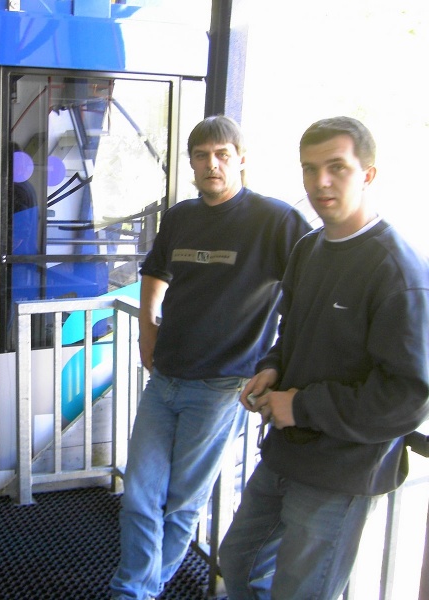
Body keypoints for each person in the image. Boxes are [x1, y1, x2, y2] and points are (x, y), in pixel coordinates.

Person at [219, 116, 429, 599]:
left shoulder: (398, 272)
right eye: (309, 169)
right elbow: (290, 332)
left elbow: (408, 398)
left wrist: (302, 405)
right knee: (238, 561)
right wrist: (271, 368)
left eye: (337, 167)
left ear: (368, 174)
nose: (321, 182)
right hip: (285, 452)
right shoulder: (308, 249)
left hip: (341, 470)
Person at [110, 115, 312, 600]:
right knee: (139, 495)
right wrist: (147, 330)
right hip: (166, 377)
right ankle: (135, 589)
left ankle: (139, 590)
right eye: (201, 156)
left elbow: (313, 288)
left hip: (223, 386)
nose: (212, 164)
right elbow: (155, 272)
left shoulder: (275, 220)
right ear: (191, 164)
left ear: (241, 160)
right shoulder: (181, 216)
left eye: (222, 155)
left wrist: (280, 362)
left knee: (181, 503)